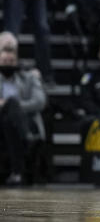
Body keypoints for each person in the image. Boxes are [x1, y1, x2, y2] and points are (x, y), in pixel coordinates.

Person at [0, 46, 47, 185]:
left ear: (17, 62)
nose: (8, 63)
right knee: (9, 114)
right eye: (4, 60)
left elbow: (40, 101)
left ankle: (16, 172)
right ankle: (27, 139)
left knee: (11, 115)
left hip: (25, 120)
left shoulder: (29, 78)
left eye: (11, 61)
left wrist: (14, 107)